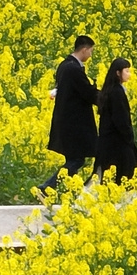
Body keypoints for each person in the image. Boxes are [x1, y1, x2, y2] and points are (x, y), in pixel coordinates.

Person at [45, 35, 100, 190]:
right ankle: (47, 187)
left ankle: (75, 192)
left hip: (65, 120)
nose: (90, 55)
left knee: (73, 160)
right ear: (84, 49)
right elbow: (86, 92)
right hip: (74, 123)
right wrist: (107, 97)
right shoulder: (73, 69)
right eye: (90, 51)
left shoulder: (64, 65)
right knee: (76, 159)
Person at [95, 56, 137, 182]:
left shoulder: (110, 90)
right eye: (127, 71)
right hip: (117, 142)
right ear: (118, 73)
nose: (129, 74)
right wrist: (129, 137)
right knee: (122, 174)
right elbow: (120, 118)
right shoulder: (116, 92)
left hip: (108, 141)